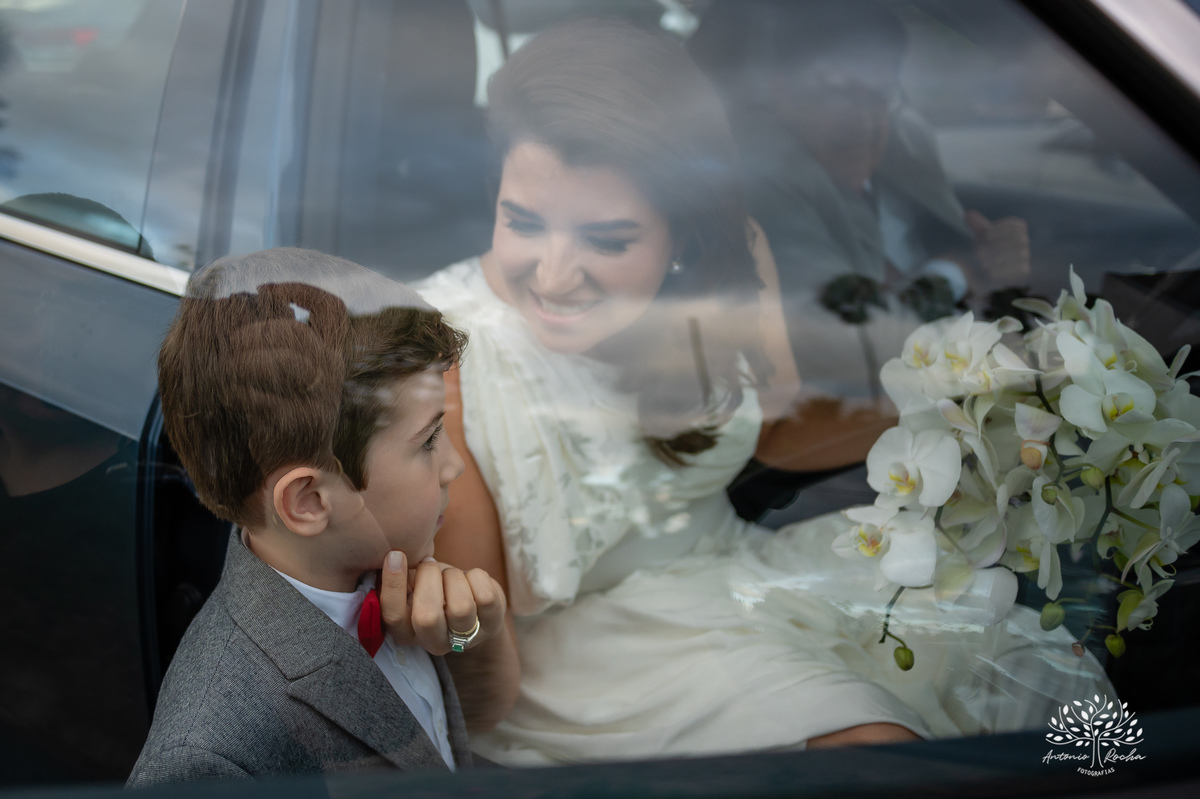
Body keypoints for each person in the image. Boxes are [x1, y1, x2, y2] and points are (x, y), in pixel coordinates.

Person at [417, 20, 1111, 766]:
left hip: (743, 572)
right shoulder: (437, 361)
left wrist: (982, 422)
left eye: (608, 240)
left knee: (1027, 663)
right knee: (877, 753)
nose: (553, 275)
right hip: (592, 659)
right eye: (521, 221)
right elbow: (475, 669)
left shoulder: (735, 257)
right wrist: (451, 629)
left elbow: (778, 426)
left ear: (682, 236)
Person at [128, 248, 511, 785]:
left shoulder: (390, 558)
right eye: (427, 440)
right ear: (309, 502)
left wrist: (470, 637)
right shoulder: (209, 753)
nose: (453, 465)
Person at [690, 0, 1032, 404]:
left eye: (880, 96)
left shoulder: (906, 147)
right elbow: (859, 340)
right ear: (782, 89)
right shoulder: (766, 186)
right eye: (836, 92)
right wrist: (957, 271)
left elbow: (987, 268)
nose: (864, 121)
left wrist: (1001, 262)